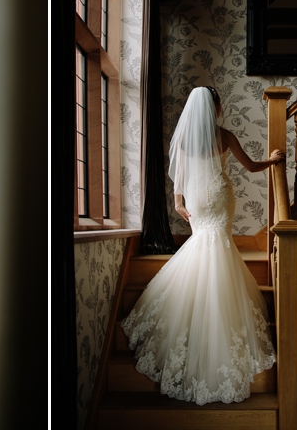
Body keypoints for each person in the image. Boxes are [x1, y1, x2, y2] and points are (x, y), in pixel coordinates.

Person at [121, 85, 282, 405]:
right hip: (220, 197)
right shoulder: (223, 136)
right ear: (215, 107)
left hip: (196, 198)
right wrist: (273, 160)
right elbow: (250, 166)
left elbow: (177, 176)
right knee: (218, 243)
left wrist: (179, 202)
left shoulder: (183, 139)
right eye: (219, 103)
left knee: (201, 242)